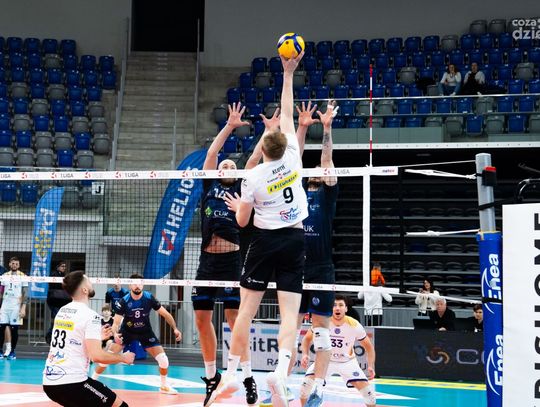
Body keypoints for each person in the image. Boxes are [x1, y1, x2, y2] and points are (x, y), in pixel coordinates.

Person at [217, 49, 308, 407]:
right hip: (295, 238)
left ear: (263, 149)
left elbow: (242, 222)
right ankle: (281, 372)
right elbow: (287, 113)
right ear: (284, 144)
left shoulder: (252, 177)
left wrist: (246, 205)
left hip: (264, 242)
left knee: (246, 311)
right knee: (290, 313)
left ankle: (231, 373)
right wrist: (289, 73)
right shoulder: (294, 158)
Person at [192, 102, 257, 407]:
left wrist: (267, 132)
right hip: (207, 262)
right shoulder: (209, 186)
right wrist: (230, 126)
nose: (227, 168)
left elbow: (254, 159)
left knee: (235, 320)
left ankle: (247, 376)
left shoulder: (244, 189)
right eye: (224, 166)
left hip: (232, 262)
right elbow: (211, 154)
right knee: (201, 319)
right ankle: (211, 377)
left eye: (232, 166)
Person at [288, 99, 339, 407]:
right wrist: (302, 128)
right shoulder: (296, 192)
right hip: (295, 267)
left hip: (321, 269)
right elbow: (293, 160)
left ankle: (318, 387)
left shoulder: (326, 196)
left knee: (321, 333)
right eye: (313, 170)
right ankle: (282, 380)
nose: (316, 171)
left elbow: (327, 160)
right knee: (289, 329)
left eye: (319, 170)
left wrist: (327, 129)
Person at [42, 270, 135, 407]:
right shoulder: (91, 316)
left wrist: (97, 338)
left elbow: (72, 341)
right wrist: (123, 358)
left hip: (50, 383)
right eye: (89, 281)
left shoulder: (63, 311)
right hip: (72, 383)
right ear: (85, 290)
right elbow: (96, 356)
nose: (92, 284)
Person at [92, 274, 182, 395]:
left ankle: (164, 386)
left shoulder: (149, 298)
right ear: (130, 285)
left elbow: (165, 314)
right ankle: (92, 381)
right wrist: (115, 333)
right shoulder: (124, 301)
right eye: (134, 283)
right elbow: (116, 322)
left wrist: (175, 328)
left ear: (143, 284)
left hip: (145, 332)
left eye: (140, 283)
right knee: (107, 358)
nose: (137, 285)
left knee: (163, 360)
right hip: (127, 332)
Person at [300, 294, 376, 407]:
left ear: (346, 308)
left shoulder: (354, 325)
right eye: (334, 305)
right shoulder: (323, 322)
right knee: (305, 387)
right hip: (325, 361)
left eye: (341, 305)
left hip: (347, 362)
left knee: (369, 395)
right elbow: (306, 339)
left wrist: (370, 366)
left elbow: (369, 347)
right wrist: (304, 354)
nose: (337, 308)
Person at [0, 257, 27, 360]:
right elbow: (1, 292)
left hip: (16, 307)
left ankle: (12, 352)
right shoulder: (4, 276)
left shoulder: (23, 276)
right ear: (9, 264)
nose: (14, 265)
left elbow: (25, 293)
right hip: (5, 306)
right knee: (1, 328)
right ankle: (0, 351)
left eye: (16, 264)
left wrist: (23, 307)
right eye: (13, 263)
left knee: (14, 329)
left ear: (19, 265)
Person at [46, 261, 71, 344]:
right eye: (62, 266)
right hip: (54, 302)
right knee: (57, 319)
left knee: (61, 320)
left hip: (62, 302)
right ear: (58, 267)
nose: (64, 268)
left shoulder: (65, 276)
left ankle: (57, 337)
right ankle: (50, 335)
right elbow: (54, 286)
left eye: (65, 266)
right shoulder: (53, 275)